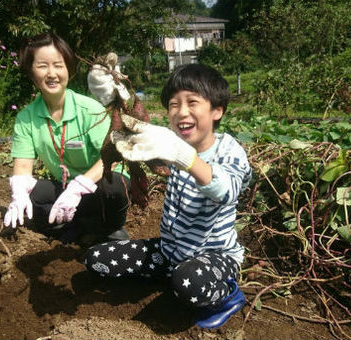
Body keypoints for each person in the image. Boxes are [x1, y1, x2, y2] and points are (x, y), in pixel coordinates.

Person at [84, 63, 252, 329]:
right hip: (170, 251)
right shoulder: (171, 143)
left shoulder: (229, 150)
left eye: (192, 102)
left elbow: (226, 191)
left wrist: (183, 156)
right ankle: (172, 275)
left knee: (190, 285)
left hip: (215, 257)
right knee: (96, 259)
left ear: (217, 110)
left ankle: (228, 296)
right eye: (174, 105)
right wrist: (118, 96)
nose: (181, 111)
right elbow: (137, 130)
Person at [3, 32, 130, 244]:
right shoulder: (26, 118)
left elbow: (111, 157)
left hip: (98, 184)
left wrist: (79, 186)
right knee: (33, 195)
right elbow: (23, 169)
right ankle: (78, 225)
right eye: (42, 66)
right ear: (31, 72)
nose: (51, 73)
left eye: (58, 65)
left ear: (68, 70)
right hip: (66, 187)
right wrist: (19, 194)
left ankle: (110, 229)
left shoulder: (89, 109)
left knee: (114, 185)